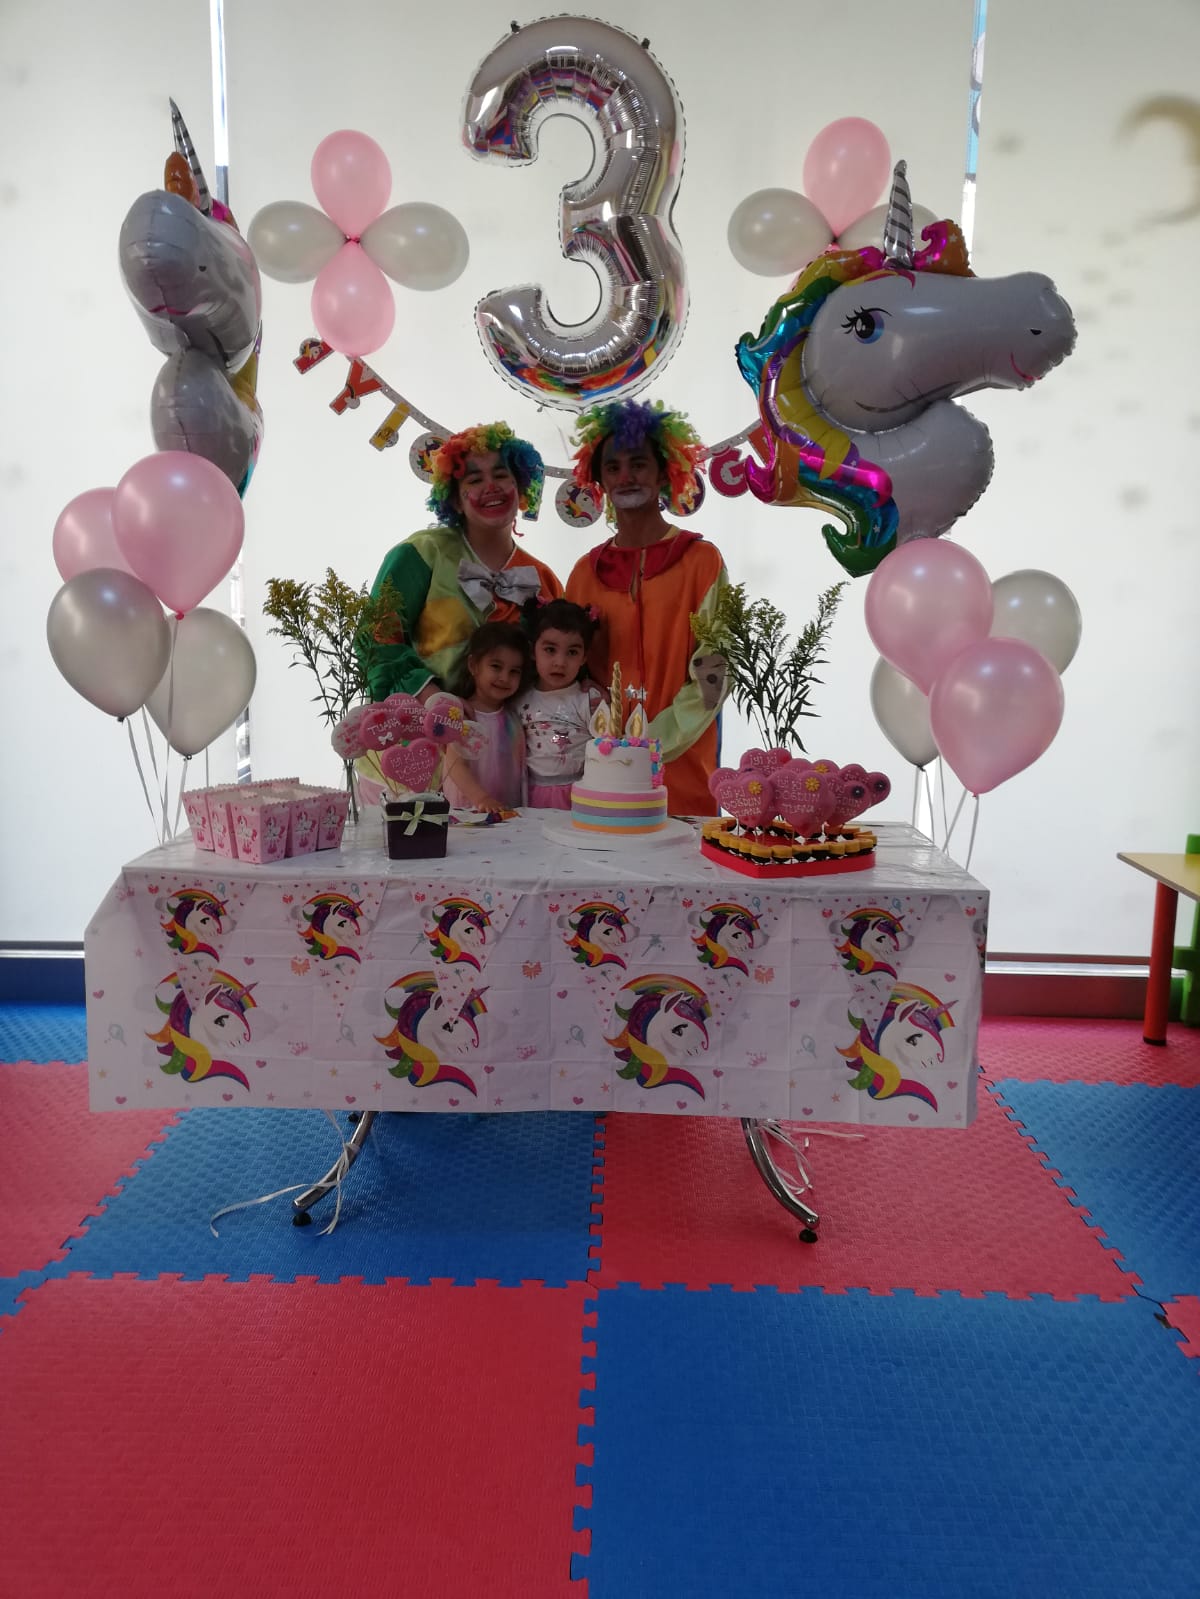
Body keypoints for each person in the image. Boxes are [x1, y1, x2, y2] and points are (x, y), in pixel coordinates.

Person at [565, 399, 730, 815]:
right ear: (600, 479)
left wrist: (652, 742)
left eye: (638, 464)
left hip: (685, 775)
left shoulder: (701, 561)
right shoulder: (584, 574)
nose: (625, 476)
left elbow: (716, 668)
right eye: (613, 467)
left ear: (662, 473)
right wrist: (605, 741)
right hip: (602, 774)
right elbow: (569, 674)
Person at [364, 422, 563, 703]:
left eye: (501, 475)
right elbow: (375, 638)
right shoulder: (422, 552)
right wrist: (430, 697)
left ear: (520, 488)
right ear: (456, 499)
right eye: (474, 480)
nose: (491, 486)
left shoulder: (544, 579)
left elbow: (564, 661)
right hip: (421, 724)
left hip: (516, 730)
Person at [517, 597, 604, 810]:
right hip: (529, 796)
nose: (560, 662)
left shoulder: (590, 699)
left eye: (572, 652)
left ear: (584, 657)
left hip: (582, 796)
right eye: (550, 649)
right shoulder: (519, 699)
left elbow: (606, 750)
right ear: (532, 651)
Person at [441, 621, 529, 813]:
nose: (505, 678)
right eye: (496, 666)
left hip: (507, 814)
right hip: (469, 814)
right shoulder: (461, 716)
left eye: (514, 671)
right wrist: (482, 799)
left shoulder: (513, 716)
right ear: (473, 665)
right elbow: (455, 766)